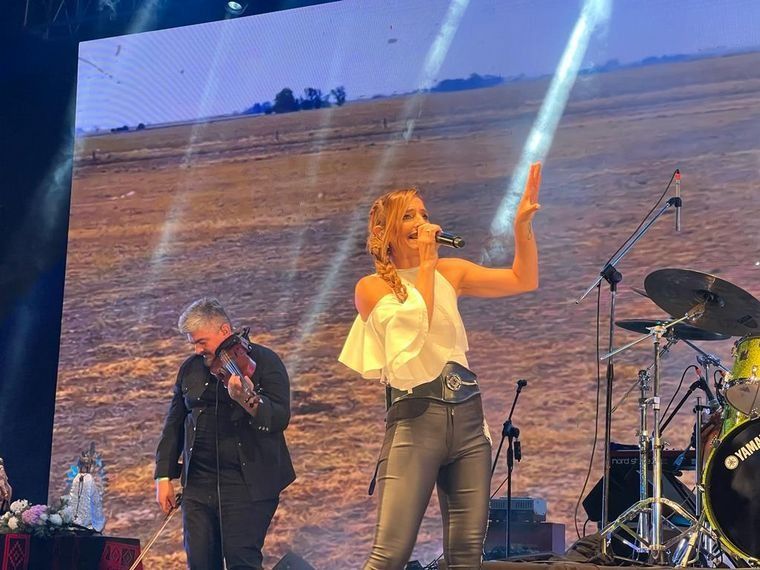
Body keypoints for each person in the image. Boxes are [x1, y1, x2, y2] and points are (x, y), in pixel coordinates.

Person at [339, 163, 542, 569]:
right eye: (409, 216)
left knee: (466, 556)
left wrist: (522, 227)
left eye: (425, 215)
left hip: (469, 420)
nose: (422, 222)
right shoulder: (371, 288)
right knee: (390, 554)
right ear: (385, 233)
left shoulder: (452, 272)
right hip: (416, 420)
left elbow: (524, 279)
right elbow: (415, 326)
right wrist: (428, 264)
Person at [155, 297, 295, 570]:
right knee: (201, 564)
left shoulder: (265, 362)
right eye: (192, 343)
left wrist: (247, 400)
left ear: (224, 330)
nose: (196, 350)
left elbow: (279, 417)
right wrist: (163, 475)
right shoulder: (190, 369)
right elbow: (174, 423)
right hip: (198, 485)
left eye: (201, 342)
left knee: (242, 562)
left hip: (246, 486)